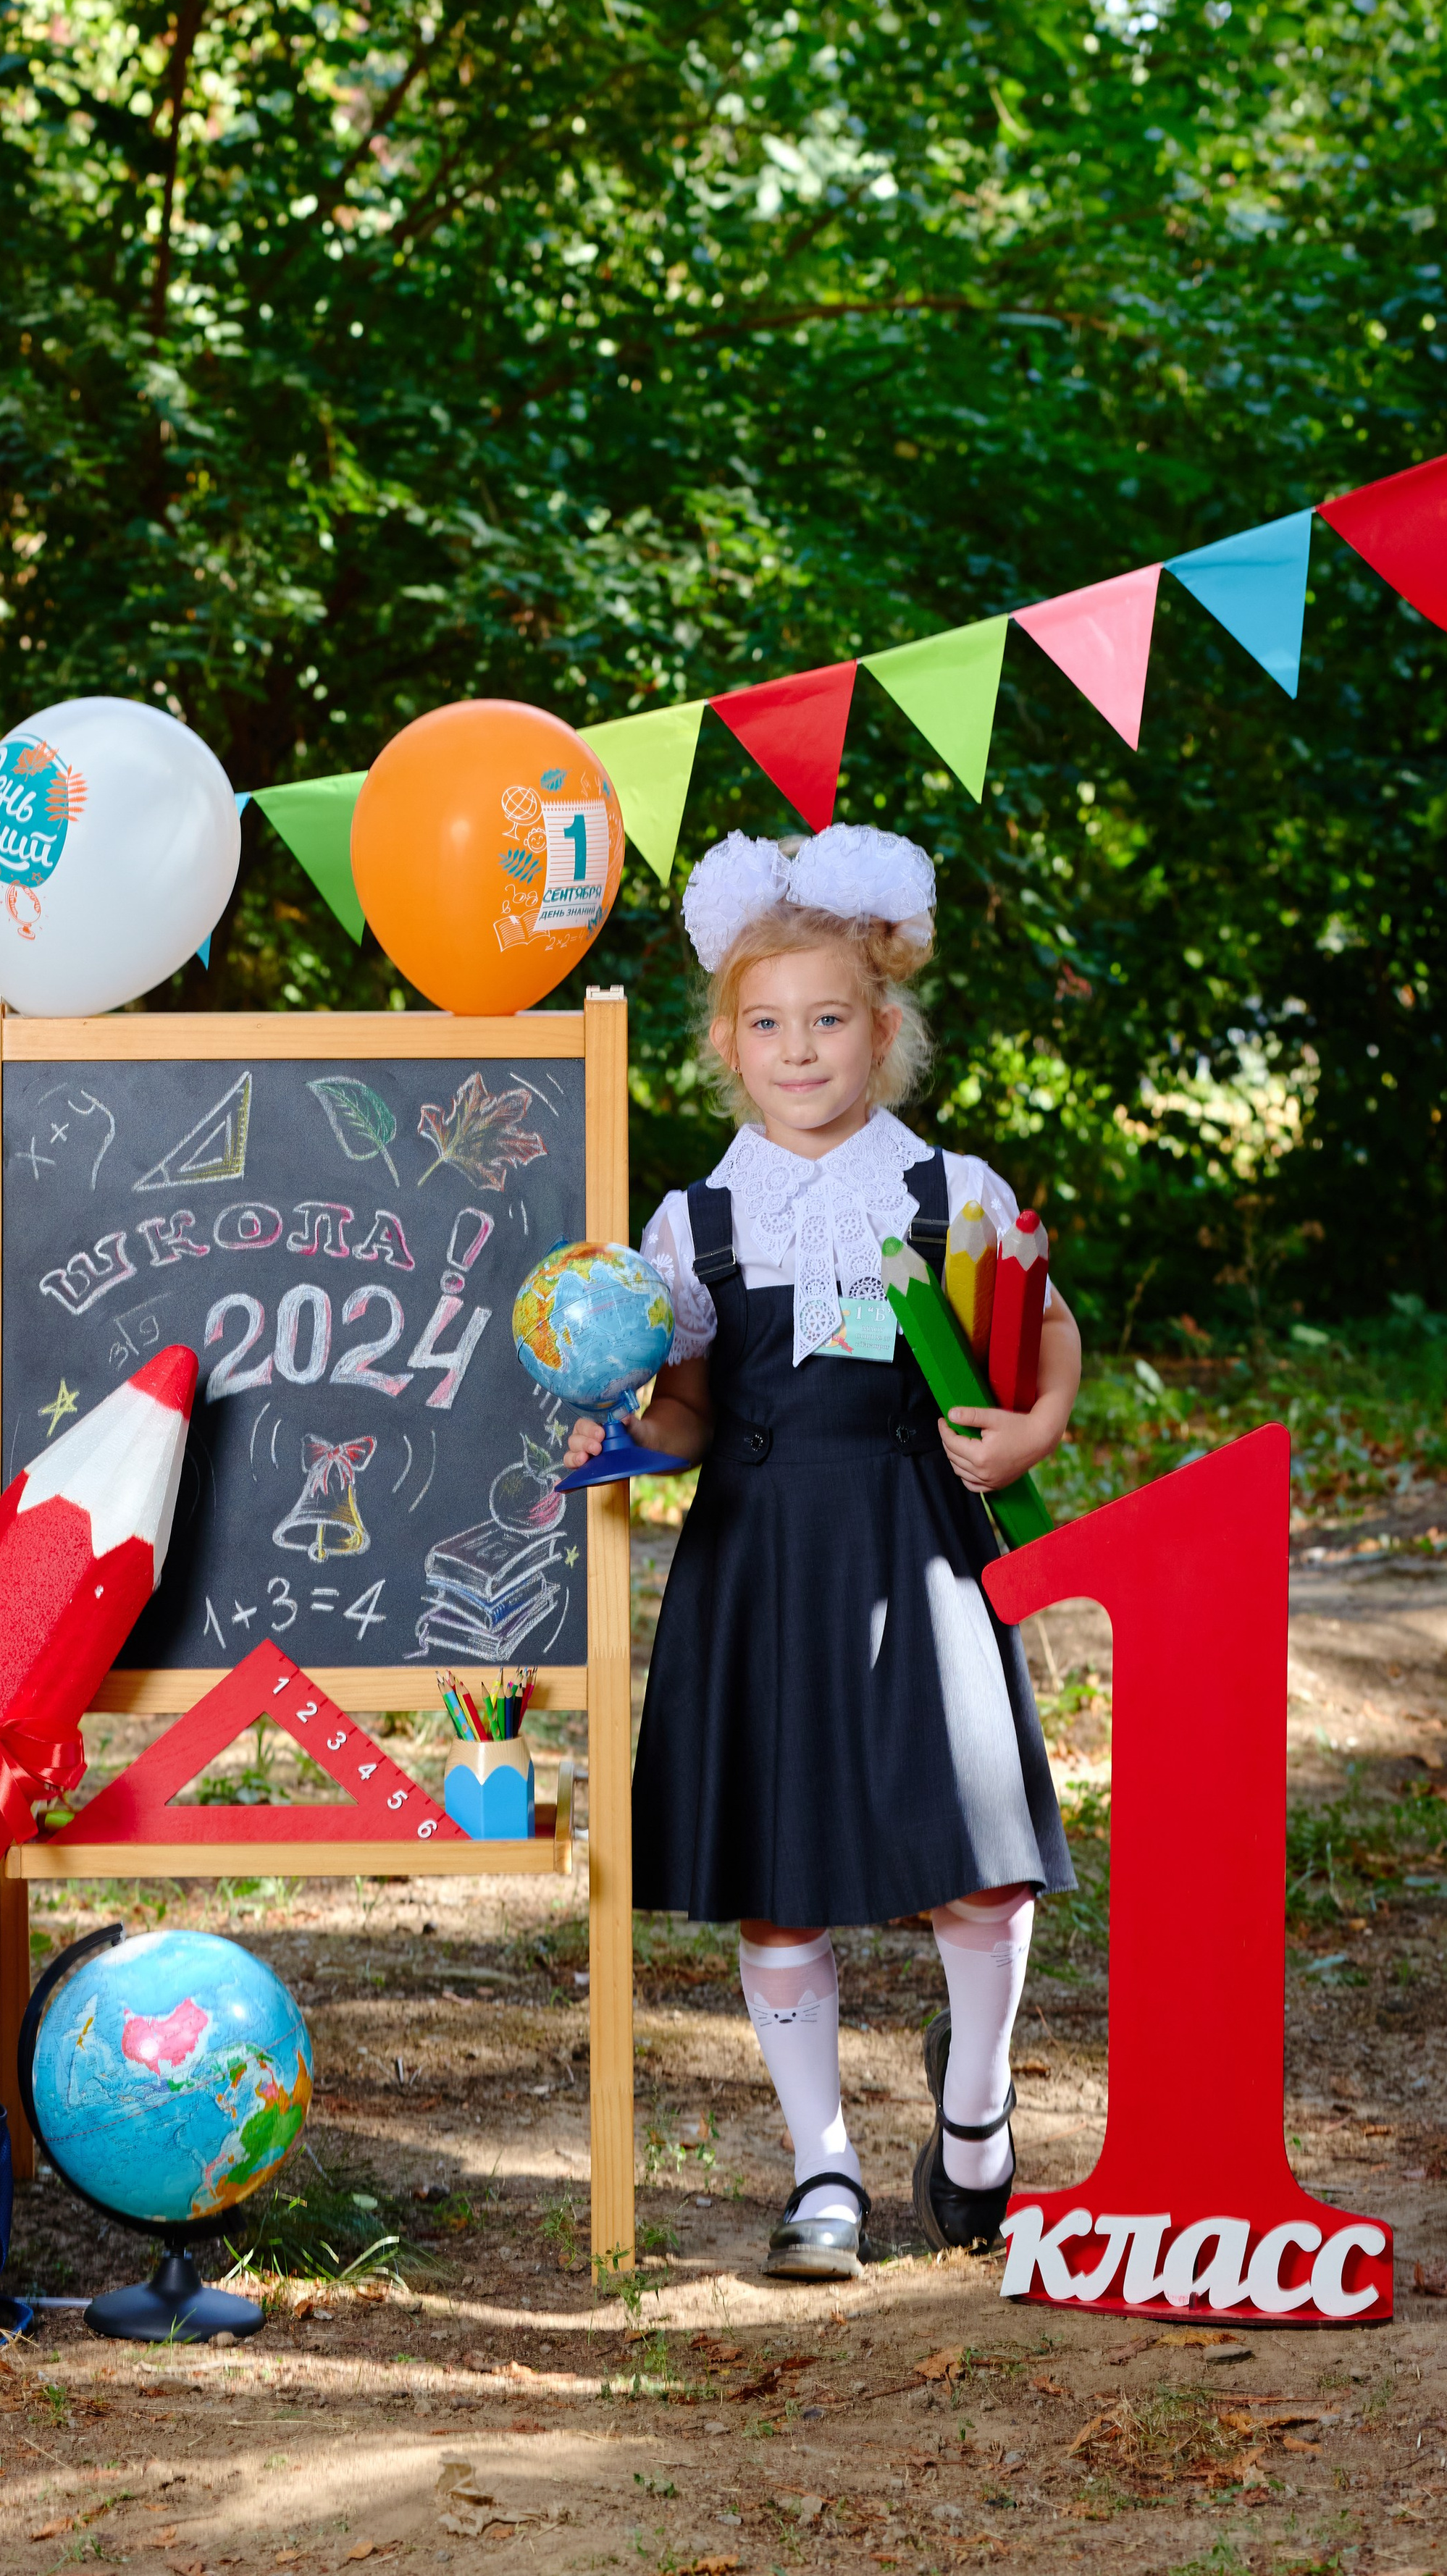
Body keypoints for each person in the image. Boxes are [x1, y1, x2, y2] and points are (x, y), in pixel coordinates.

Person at [562, 825, 1080, 2278]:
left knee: (974, 1860)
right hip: (759, 1563)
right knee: (776, 1879)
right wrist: (615, 1434)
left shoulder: (946, 1193)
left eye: (829, 1020)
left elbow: (1044, 1332)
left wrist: (1029, 1430)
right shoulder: (694, 1219)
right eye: (768, 1025)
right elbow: (682, 1418)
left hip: (918, 1544)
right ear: (727, 1044)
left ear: (884, 1032)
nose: (799, 1050)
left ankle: (970, 2117)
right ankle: (823, 2172)